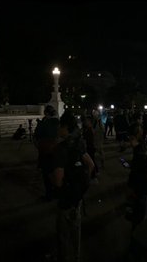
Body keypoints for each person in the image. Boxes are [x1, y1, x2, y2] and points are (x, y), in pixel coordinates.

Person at [53, 112, 94, 262]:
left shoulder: (60, 149)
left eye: (60, 126)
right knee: (76, 230)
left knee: (63, 233)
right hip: (77, 197)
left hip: (65, 199)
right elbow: (91, 165)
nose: (58, 129)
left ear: (65, 127)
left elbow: (58, 181)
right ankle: (76, 256)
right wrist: (83, 185)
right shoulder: (79, 144)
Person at [35, 106, 60, 200]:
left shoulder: (45, 123)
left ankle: (49, 194)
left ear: (47, 113)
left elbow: (38, 134)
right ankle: (57, 190)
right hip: (56, 150)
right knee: (54, 171)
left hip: (46, 150)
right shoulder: (58, 122)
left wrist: (40, 123)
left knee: (46, 173)